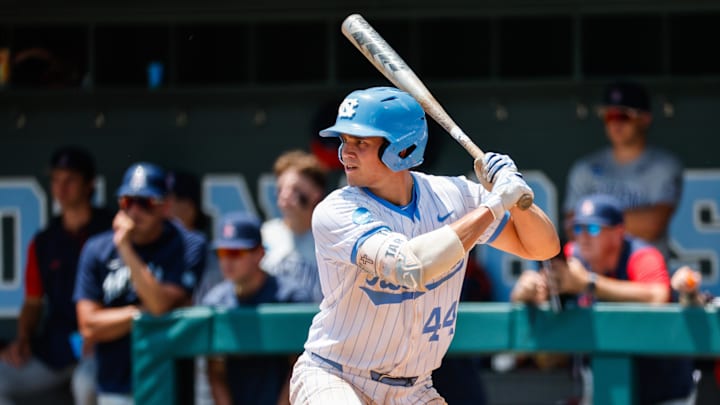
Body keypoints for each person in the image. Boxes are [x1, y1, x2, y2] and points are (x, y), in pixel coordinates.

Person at [289, 86, 559, 404]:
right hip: (335, 374)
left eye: (360, 142)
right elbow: (411, 266)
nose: (346, 152)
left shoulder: (455, 196)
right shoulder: (336, 210)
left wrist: (515, 197)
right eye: (345, 140)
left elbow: (543, 247)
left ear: (402, 148)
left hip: (413, 389)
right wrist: (496, 204)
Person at [512, 194, 696, 405]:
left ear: (618, 233)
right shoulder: (573, 255)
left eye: (593, 229)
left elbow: (658, 296)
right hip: (605, 384)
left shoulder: (642, 255)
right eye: (578, 229)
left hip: (664, 388)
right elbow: (544, 291)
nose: (583, 238)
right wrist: (528, 290)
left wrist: (589, 284)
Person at [73, 162, 203, 404]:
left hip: (169, 382)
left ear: (165, 207)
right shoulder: (97, 248)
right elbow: (89, 325)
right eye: (127, 202)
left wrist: (126, 250)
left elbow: (159, 305)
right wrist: (139, 313)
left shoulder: (188, 244)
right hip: (116, 381)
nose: (135, 211)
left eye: (146, 202)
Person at [0, 146, 112, 405]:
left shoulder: (111, 233)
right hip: (57, 347)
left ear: (89, 184)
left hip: (103, 345)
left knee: (86, 384)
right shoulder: (44, 241)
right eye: (56, 180)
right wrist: (24, 339)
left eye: (70, 180)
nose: (62, 188)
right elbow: (33, 301)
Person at [563, 81, 683, 257]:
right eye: (609, 116)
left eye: (624, 116)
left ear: (645, 119)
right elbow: (573, 228)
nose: (615, 124)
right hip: (595, 274)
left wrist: (594, 223)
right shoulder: (586, 168)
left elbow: (653, 225)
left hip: (645, 275)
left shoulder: (664, 166)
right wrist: (629, 222)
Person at [202, 212, 306, 405]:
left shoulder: (290, 297)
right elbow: (216, 371)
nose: (227, 261)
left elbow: (298, 366)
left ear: (259, 253)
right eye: (222, 253)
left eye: (235, 253)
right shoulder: (214, 302)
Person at [261, 150, 327, 303]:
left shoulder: (329, 239)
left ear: (316, 194)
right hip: (272, 320)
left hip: (314, 321)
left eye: (295, 189)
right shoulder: (265, 234)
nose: (285, 195)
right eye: (280, 189)